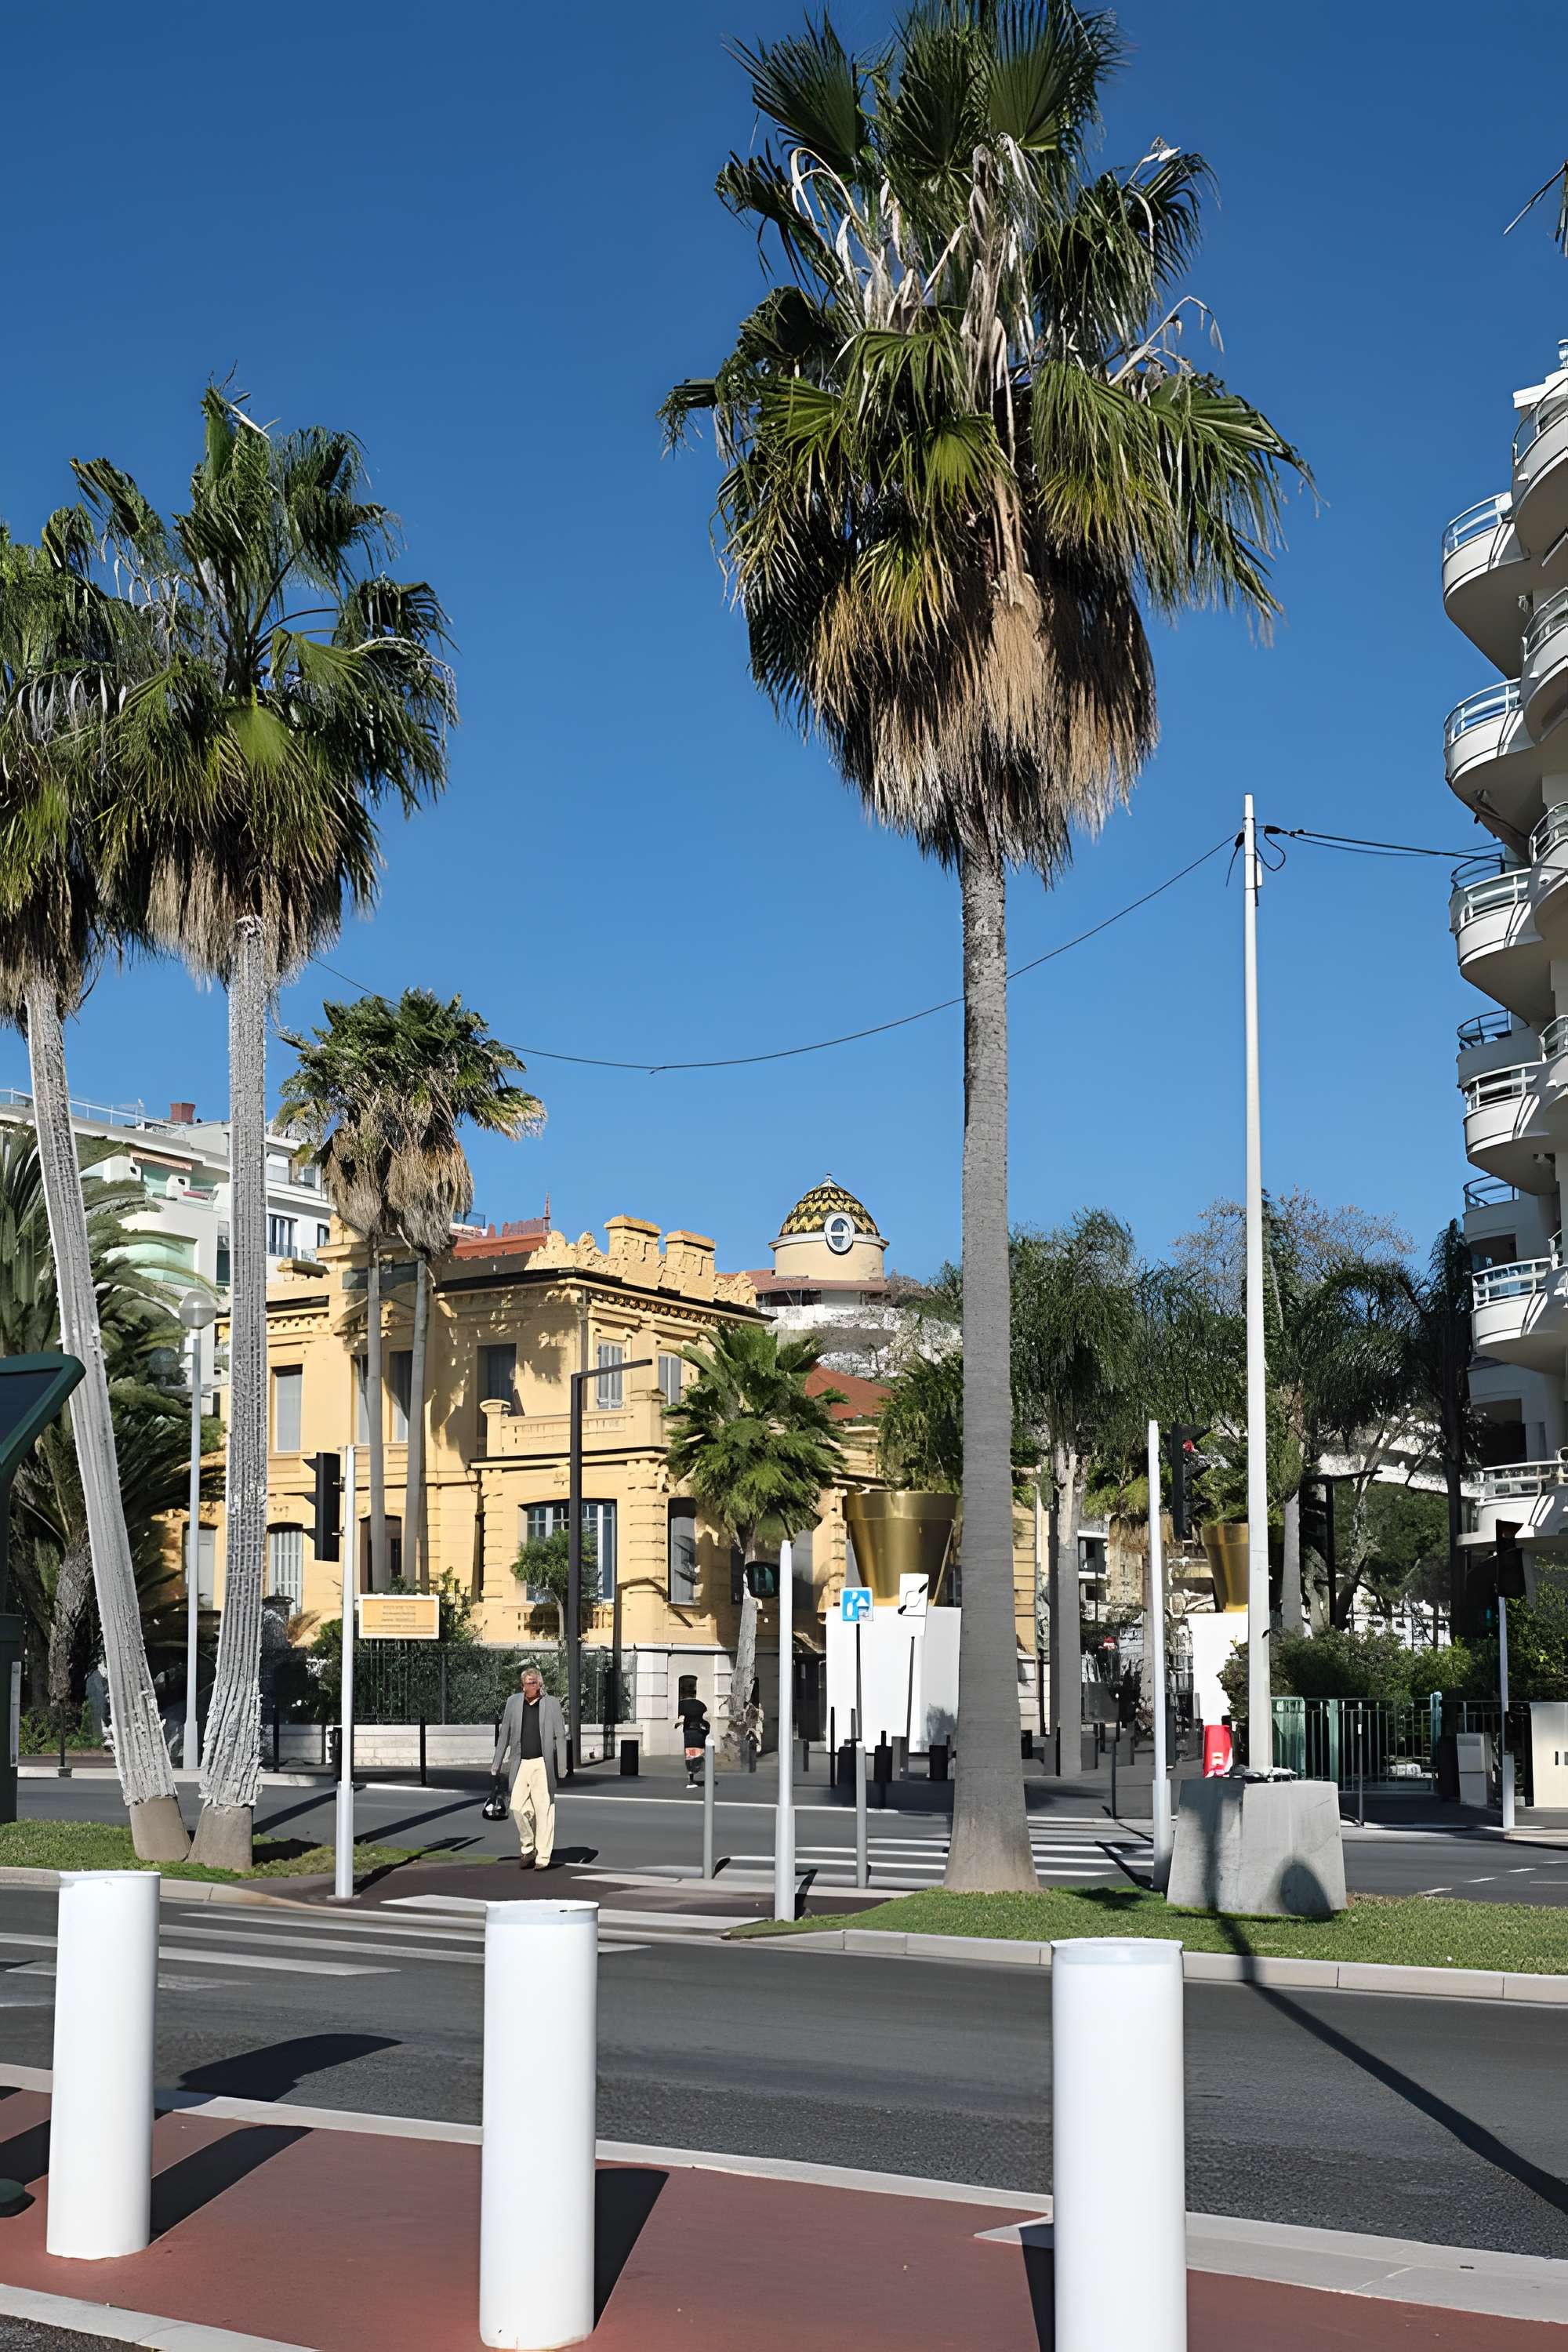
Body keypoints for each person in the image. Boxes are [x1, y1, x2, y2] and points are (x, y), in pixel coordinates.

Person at [492, 1667, 568, 1869]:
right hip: (521, 1763)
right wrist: (497, 1762)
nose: (530, 1686)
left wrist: (562, 1766)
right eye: (527, 1683)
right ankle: (528, 1847)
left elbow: (560, 1735)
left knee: (544, 1811)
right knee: (517, 1807)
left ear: (540, 1684)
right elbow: (505, 1734)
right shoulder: (513, 1702)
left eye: (533, 1682)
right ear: (522, 1685)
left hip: (542, 1764)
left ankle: (543, 1857)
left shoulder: (551, 1704)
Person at [677, 1691, 710, 1788]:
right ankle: (695, 1775)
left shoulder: (684, 1711)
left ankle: (691, 1778)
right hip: (698, 1735)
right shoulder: (699, 1711)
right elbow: (706, 1729)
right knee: (697, 1756)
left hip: (688, 1735)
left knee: (690, 1756)